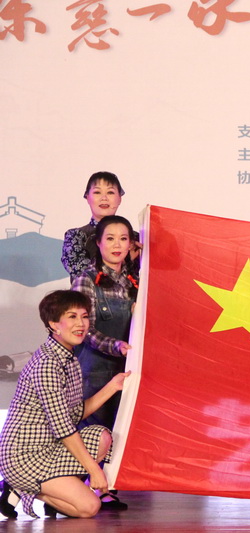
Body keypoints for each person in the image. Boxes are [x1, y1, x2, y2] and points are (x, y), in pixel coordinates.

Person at [0, 290, 130, 519]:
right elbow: (63, 427)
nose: (81, 324)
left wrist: (112, 386)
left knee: (102, 437)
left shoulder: (68, 357)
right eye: (72, 317)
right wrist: (94, 471)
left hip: (51, 448)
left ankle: (42, 489)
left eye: (84, 316)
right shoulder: (47, 364)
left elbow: (75, 414)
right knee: (89, 507)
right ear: (53, 325)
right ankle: (21, 485)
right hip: (25, 455)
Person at [70, 215, 138, 511]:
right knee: (91, 430)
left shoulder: (136, 282)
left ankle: (105, 487)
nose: (117, 245)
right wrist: (117, 346)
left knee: (116, 429)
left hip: (125, 369)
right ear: (98, 243)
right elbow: (83, 329)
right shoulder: (86, 279)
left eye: (123, 238)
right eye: (110, 238)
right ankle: (66, 490)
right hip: (94, 369)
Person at [62, 171, 141, 283]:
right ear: (87, 197)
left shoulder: (136, 238)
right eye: (97, 192)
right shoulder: (76, 236)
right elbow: (83, 275)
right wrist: (124, 261)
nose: (104, 198)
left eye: (110, 192)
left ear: (120, 198)